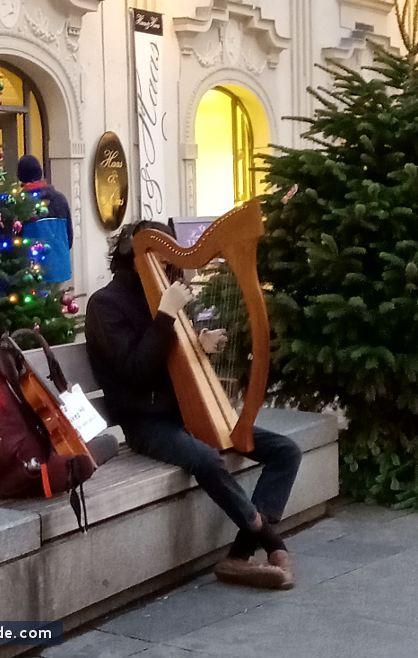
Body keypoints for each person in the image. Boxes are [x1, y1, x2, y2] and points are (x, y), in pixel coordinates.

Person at [85, 220, 302, 590]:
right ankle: (270, 541)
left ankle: (239, 555)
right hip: (145, 420)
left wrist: (199, 343)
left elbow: (170, 354)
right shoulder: (105, 305)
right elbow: (137, 370)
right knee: (206, 458)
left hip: (183, 410)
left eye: (168, 254)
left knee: (286, 451)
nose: (167, 263)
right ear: (133, 255)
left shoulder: (158, 292)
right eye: (158, 254)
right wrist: (167, 314)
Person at [18, 154, 73, 283]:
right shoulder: (60, 199)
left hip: (33, 273)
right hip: (60, 268)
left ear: (20, 176)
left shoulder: (21, 204)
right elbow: (69, 238)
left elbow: (17, 244)